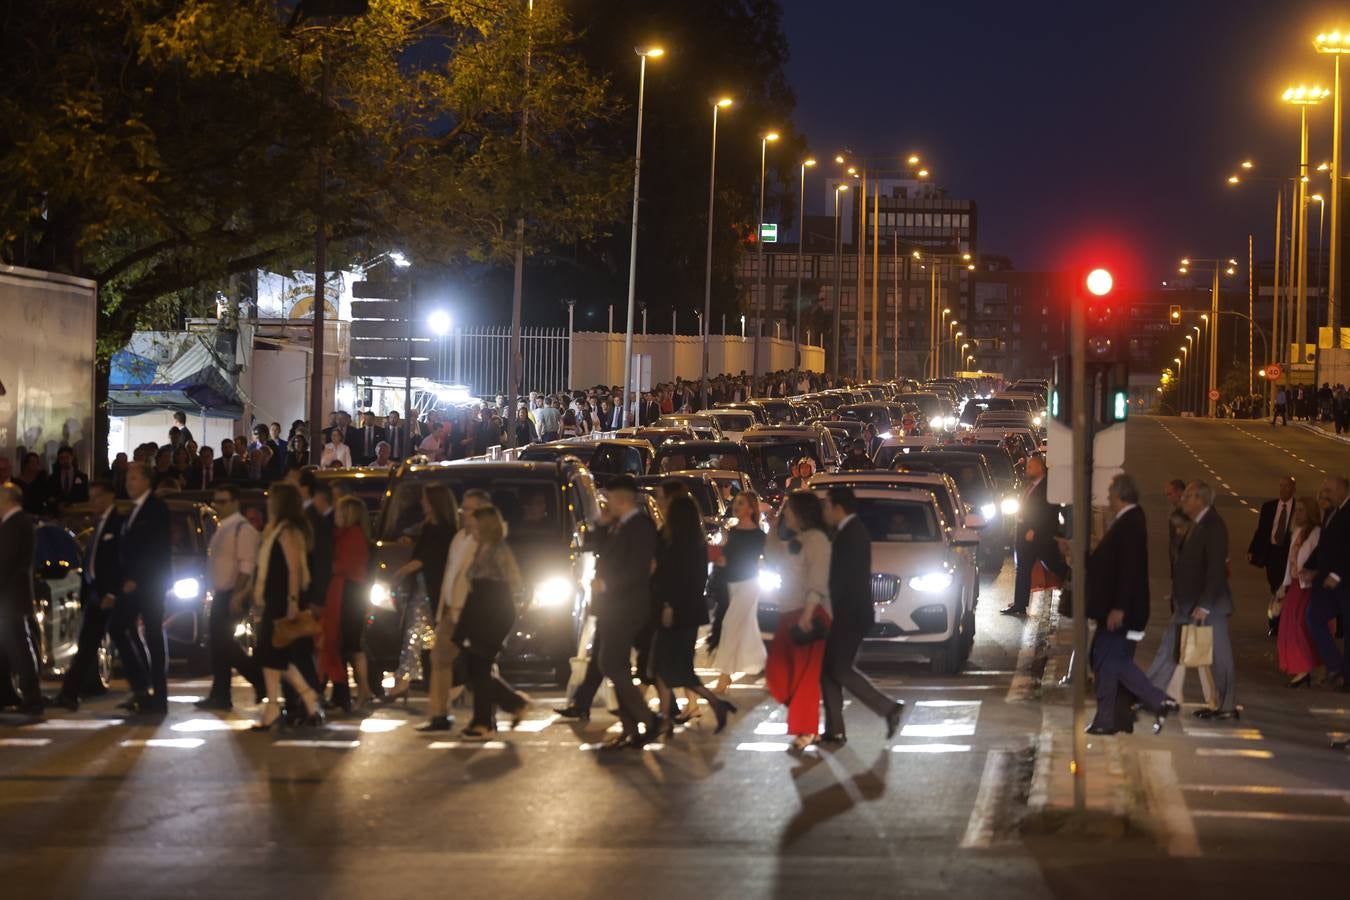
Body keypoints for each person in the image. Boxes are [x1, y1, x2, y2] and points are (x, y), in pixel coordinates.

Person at [1082, 473, 1179, 735]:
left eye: (1111, 495)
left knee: (1111, 662)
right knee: (1107, 662)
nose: (1108, 500)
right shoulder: (1127, 521)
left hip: (1122, 611)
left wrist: (1119, 607)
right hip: (1117, 608)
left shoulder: (1131, 523)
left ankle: (1157, 700)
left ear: (1121, 495)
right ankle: (1111, 718)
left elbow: (1129, 570)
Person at [819, 486, 905, 744]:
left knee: (839, 668)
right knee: (828, 669)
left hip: (849, 614)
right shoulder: (847, 531)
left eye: (827, 506)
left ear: (837, 507)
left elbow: (842, 580)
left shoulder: (852, 533)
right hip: (847, 613)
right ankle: (835, 728)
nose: (825, 512)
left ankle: (888, 708)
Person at [1146, 481, 1239, 720]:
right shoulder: (1197, 524)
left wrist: (1205, 604)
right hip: (1189, 603)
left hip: (1208, 607)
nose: (1182, 501)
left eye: (1187, 497)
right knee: (1170, 648)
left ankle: (1226, 705)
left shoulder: (1213, 524)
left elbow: (1216, 568)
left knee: (1219, 658)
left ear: (1200, 500)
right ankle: (1149, 694)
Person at [649, 492, 735, 734]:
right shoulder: (694, 543)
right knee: (666, 667)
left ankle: (713, 704)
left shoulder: (679, 545)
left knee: (673, 668)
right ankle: (667, 717)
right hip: (688, 612)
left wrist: (668, 605)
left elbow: (677, 580)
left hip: (677, 612)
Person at [591, 475, 661, 749]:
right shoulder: (617, 525)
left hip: (627, 604)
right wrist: (601, 524)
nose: (606, 504)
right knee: (614, 664)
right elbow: (600, 551)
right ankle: (631, 728)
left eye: (608, 499)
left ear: (621, 499)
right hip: (613, 604)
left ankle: (648, 720)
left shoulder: (641, 526)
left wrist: (607, 583)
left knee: (610, 663)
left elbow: (638, 568)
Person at [250, 482, 324, 730]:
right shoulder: (280, 528)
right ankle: (302, 699)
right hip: (277, 597)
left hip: (283, 599)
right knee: (273, 656)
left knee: (271, 654)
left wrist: (292, 602)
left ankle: (281, 705)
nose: (268, 501)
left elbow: (294, 569)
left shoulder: (287, 530)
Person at [763, 491, 832, 752]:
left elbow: (818, 579)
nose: (785, 515)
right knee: (777, 673)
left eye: (788, 510)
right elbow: (774, 557)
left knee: (805, 677)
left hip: (809, 614)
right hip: (787, 611)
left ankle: (807, 730)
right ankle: (806, 724)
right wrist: (771, 528)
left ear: (801, 513)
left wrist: (807, 613)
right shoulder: (795, 539)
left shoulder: (817, 540)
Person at [453, 506, 530, 739]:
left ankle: (484, 722)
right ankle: (509, 705)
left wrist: (464, 626)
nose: (470, 529)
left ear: (484, 527)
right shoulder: (483, 549)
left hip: (492, 615)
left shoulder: (494, 550)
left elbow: (486, 592)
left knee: (479, 667)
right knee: (477, 668)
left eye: (475, 525)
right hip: (486, 613)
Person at [419, 489, 491, 731]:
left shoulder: (485, 540)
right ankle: (439, 714)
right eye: (463, 508)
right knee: (439, 658)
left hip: (471, 612)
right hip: (451, 609)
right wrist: (442, 610)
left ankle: (506, 705)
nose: (464, 513)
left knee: (477, 666)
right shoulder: (459, 537)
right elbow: (450, 575)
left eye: (470, 509)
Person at [194, 483, 265, 710]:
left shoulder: (242, 529)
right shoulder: (224, 527)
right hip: (222, 592)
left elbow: (246, 565)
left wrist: (237, 594)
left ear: (235, 502)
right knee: (220, 645)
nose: (219, 505)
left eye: (224, 501)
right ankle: (221, 693)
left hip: (233, 593)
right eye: (217, 501)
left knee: (223, 644)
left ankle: (254, 679)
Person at [384, 483, 457, 702]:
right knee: (421, 635)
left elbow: (425, 558)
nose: (422, 503)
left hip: (431, 590)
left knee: (415, 633)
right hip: (425, 588)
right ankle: (411, 680)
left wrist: (399, 574)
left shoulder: (440, 530)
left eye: (426, 499)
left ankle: (405, 680)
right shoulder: (432, 527)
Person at [54, 480, 122, 711]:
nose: (94, 503)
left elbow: (119, 561)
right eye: (91, 498)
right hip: (94, 593)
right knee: (87, 644)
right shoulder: (98, 525)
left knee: (126, 642)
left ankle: (144, 688)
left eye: (97, 497)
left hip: (108, 594)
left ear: (109, 496)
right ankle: (70, 692)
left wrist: (113, 591)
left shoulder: (117, 523)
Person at [116, 462, 173, 714]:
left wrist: (137, 578)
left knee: (152, 636)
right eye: (128, 478)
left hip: (149, 584)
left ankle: (158, 696)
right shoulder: (132, 511)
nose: (129, 483)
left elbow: (155, 548)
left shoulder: (155, 508)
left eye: (134, 478)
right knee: (119, 627)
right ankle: (141, 686)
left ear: (147, 481)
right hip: (135, 584)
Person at [321, 496, 374, 713]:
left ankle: (364, 690)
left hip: (348, 593)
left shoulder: (351, 535)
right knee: (349, 645)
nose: (337, 516)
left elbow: (342, 565)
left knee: (350, 644)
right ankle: (358, 691)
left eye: (341, 512)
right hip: (349, 591)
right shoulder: (352, 534)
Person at [712, 491, 767, 695]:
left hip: (749, 584)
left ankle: (724, 676)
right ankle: (761, 663)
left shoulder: (759, 535)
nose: (736, 505)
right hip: (732, 583)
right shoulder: (733, 531)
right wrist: (721, 560)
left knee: (730, 625)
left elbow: (766, 558)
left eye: (741, 503)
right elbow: (727, 555)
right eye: (736, 502)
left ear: (751, 509)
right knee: (747, 628)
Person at [1304, 475, 1349, 696]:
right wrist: (1311, 566)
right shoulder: (1333, 511)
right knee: (1313, 617)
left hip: (1344, 581)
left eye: (1329, 490)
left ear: (1342, 490)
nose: (1325, 494)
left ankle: (1346, 678)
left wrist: (1337, 574)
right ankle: (1335, 666)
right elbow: (1325, 544)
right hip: (1326, 580)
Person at [0, 482, 43, 715]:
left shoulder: (17, 523)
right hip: (9, 597)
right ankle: (6, 694)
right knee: (7, 649)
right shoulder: (12, 523)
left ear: (8, 499)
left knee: (19, 648)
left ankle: (32, 698)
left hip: (11, 597)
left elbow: (6, 561)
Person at [1003, 455, 1064, 616]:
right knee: (1022, 569)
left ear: (1039, 468)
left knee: (1054, 564)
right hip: (1024, 533)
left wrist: (1035, 529)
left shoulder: (1047, 487)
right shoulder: (1030, 485)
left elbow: (1048, 512)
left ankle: (1076, 586)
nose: (1027, 470)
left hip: (1039, 535)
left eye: (1030, 467)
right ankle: (1020, 604)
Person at [1276, 496, 1323, 688]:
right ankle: (1299, 667)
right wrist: (1284, 585)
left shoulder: (1317, 533)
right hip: (1296, 584)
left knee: (1299, 627)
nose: (1298, 514)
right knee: (1289, 627)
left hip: (1309, 587)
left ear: (1310, 513)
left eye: (1302, 510)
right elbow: (1291, 561)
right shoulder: (1297, 532)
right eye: (1298, 510)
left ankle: (1304, 669)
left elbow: (1318, 560)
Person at [1247, 476, 1295, 599]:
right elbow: (1261, 530)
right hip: (1272, 552)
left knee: (1286, 584)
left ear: (1293, 489)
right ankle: (1278, 603)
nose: (1283, 489)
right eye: (1281, 486)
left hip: (1288, 553)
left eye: (1287, 486)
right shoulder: (1269, 507)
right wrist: (1252, 549)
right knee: (1274, 584)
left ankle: (1280, 610)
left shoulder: (1297, 508)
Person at [44, 445, 88, 511]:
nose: (64, 460)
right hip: (57, 514)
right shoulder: (53, 478)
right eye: (61, 458)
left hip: (76, 513)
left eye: (67, 457)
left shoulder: (82, 477)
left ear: (72, 458)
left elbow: (85, 497)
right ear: (58, 460)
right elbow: (49, 497)